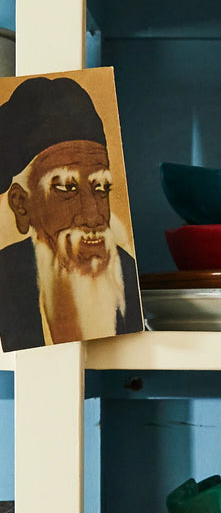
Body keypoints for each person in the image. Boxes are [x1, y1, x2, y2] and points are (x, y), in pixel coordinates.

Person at [0, 76, 144, 352]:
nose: (94, 217)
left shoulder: (127, 272)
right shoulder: (6, 276)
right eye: (67, 188)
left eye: (101, 188)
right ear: (21, 205)